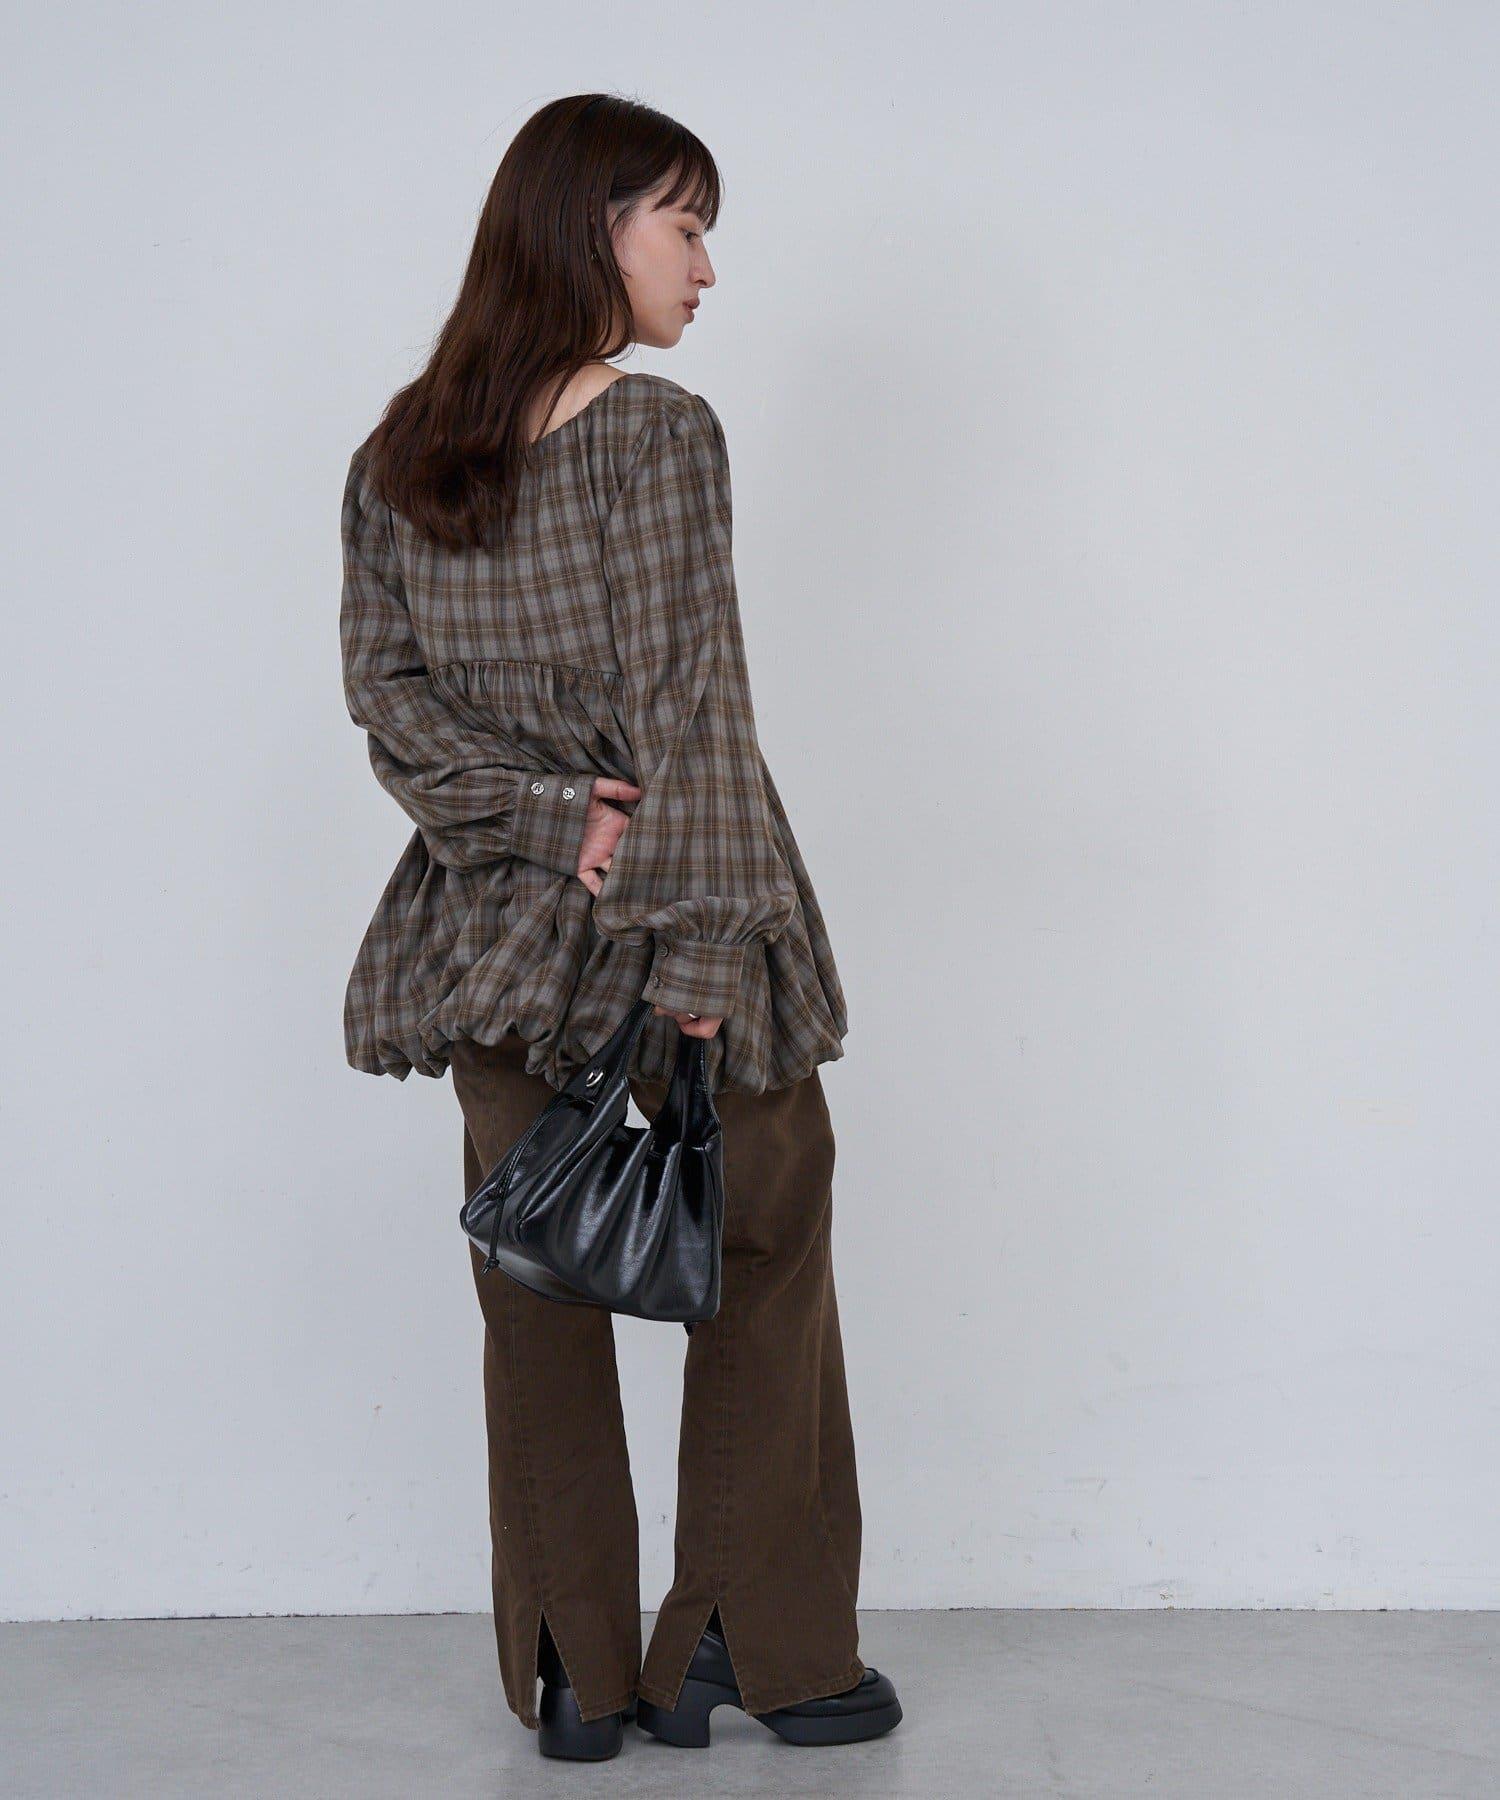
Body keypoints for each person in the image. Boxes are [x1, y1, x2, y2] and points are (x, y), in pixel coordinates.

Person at [337, 92, 902, 1762]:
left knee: (535, 1278)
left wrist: (536, 820)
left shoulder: (398, 455)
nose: (707, 268)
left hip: (493, 944)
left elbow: (389, 707)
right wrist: (706, 947)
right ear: (595, 227)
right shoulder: (654, 435)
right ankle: (755, 1643)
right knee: (764, 1249)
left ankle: (573, 1669)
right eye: (686, 224)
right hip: (676, 914)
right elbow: (691, 708)